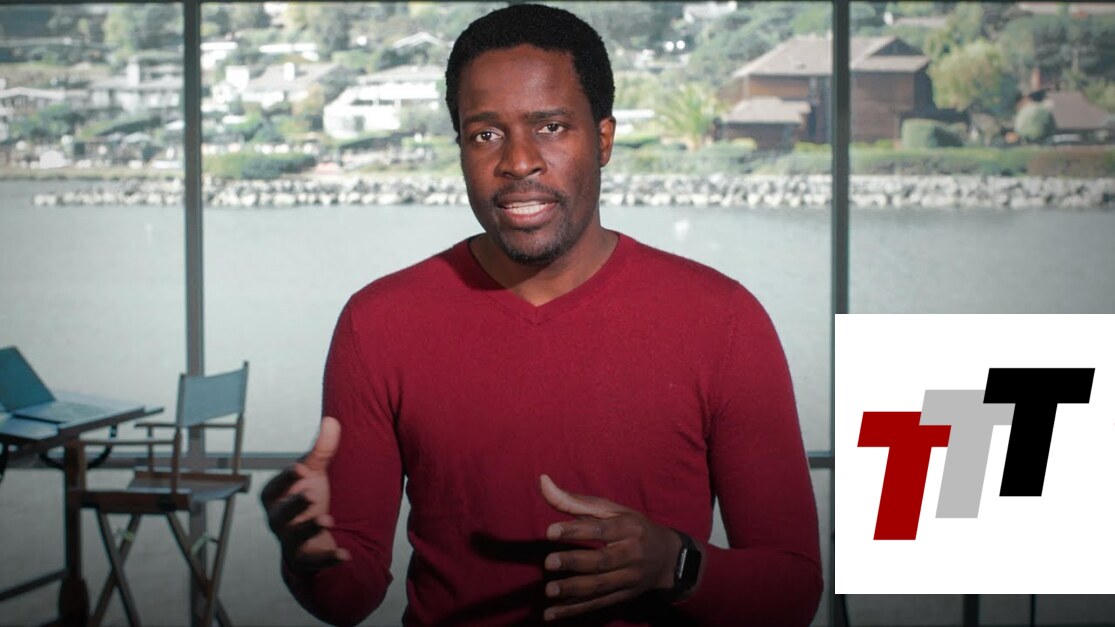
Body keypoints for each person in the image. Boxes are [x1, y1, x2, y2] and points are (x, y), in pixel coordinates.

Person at [261, 4, 821, 625]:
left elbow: (793, 592)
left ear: (603, 140)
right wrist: (308, 557)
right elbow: (348, 597)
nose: (519, 161)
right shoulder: (378, 324)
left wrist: (675, 563)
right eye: (485, 134)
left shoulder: (724, 321)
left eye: (551, 127)